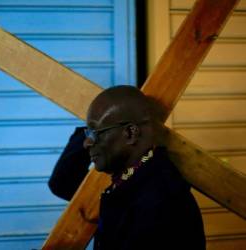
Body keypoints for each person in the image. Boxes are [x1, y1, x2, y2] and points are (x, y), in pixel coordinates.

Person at [49, 85, 206, 250]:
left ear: (130, 133)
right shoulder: (130, 180)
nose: (86, 143)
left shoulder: (161, 202)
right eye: (88, 133)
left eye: (95, 133)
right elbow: (62, 183)